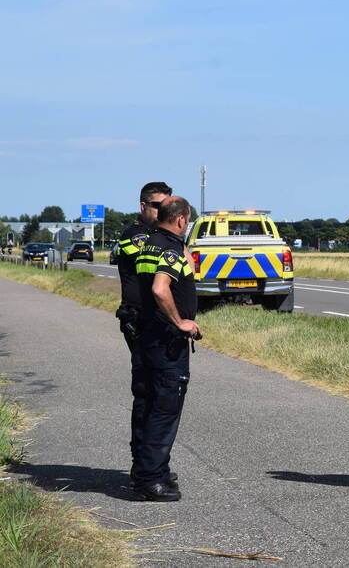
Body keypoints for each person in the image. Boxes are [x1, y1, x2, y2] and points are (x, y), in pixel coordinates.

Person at [133, 197, 200, 501]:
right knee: (165, 409)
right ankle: (152, 479)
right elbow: (161, 288)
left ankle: (146, 471)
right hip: (166, 341)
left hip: (147, 337)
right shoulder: (172, 248)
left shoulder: (149, 244)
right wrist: (181, 322)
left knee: (148, 405)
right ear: (182, 221)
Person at [114, 181, 172, 488]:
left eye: (168, 206)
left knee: (159, 393)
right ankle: (143, 465)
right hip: (139, 321)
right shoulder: (134, 236)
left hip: (156, 323)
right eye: (158, 206)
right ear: (143, 206)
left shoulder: (157, 236)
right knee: (147, 391)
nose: (163, 211)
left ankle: (152, 463)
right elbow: (151, 266)